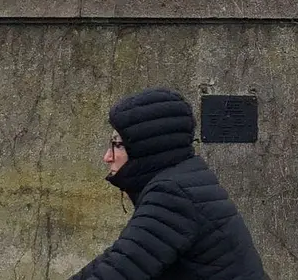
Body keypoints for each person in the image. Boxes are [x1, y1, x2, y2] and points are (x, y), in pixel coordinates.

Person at [70, 87, 268, 280]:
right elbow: (117, 258)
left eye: (118, 145)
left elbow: (122, 269)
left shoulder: (172, 194)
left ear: (147, 147)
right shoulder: (183, 179)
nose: (107, 157)